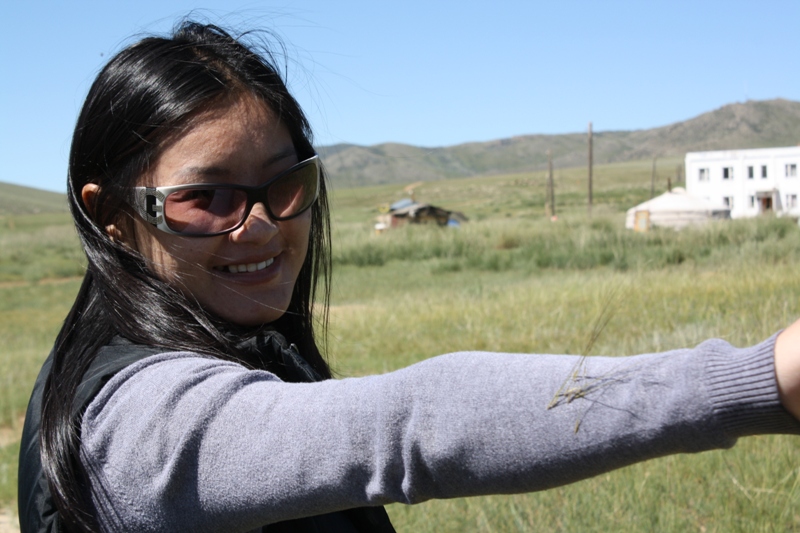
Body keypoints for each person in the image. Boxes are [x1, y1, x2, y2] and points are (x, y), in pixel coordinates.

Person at [17, 21, 800, 533]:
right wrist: (760, 380)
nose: (258, 222)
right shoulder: (135, 422)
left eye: (284, 185)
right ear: (113, 214)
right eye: (206, 197)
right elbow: (406, 425)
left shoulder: (238, 345)